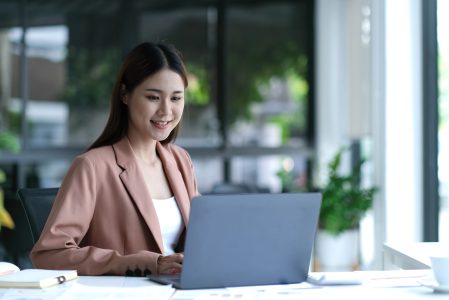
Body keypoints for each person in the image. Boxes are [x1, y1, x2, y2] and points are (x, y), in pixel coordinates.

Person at [30, 42, 200, 276]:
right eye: (153, 97)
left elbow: (202, 237)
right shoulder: (92, 166)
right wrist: (141, 262)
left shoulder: (181, 161)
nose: (166, 111)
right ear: (124, 95)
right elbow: (49, 254)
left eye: (176, 98)